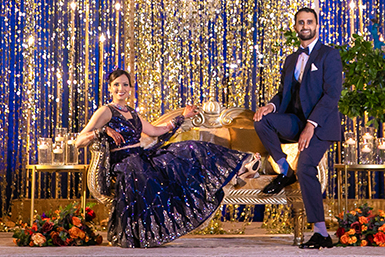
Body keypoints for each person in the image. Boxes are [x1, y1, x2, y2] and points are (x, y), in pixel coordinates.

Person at [75, 68, 257, 248]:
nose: (120, 89)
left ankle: (240, 167)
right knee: (143, 172)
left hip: (140, 156)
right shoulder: (105, 111)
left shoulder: (132, 112)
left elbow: (155, 131)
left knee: (189, 148)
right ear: (109, 87)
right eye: (116, 85)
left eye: (125, 84)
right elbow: (79, 141)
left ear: (130, 88)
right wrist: (102, 130)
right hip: (123, 162)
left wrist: (182, 117)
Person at [253, 7, 343, 249]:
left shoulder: (329, 55)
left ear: (317, 25)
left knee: (305, 167)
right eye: (301, 22)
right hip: (295, 120)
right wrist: (270, 106)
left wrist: (311, 125)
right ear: (295, 27)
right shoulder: (291, 59)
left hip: (321, 125)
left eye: (309, 22)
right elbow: (284, 93)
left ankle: (321, 233)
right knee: (261, 120)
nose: (305, 26)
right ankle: (285, 171)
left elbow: (332, 95)